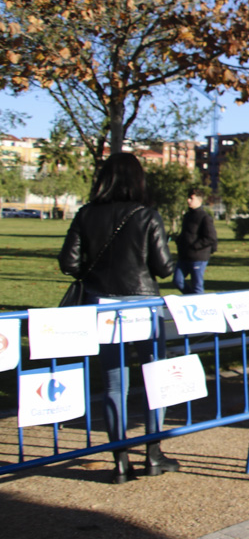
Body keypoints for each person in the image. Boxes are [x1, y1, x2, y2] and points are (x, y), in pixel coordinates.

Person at [58, 153, 179, 484]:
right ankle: (153, 454)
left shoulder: (86, 214)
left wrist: (95, 274)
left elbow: (68, 262)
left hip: (103, 306)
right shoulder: (147, 215)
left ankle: (121, 459)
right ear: (138, 180)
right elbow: (165, 268)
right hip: (142, 304)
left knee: (114, 382)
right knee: (156, 377)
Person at [172, 186, 218, 294]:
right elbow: (187, 234)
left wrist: (195, 246)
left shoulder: (204, 217)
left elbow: (211, 237)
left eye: (191, 198)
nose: (188, 200)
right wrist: (179, 240)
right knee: (177, 280)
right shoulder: (187, 216)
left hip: (198, 257)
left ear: (199, 200)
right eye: (188, 198)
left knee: (197, 285)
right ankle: (192, 299)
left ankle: (199, 306)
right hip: (184, 256)